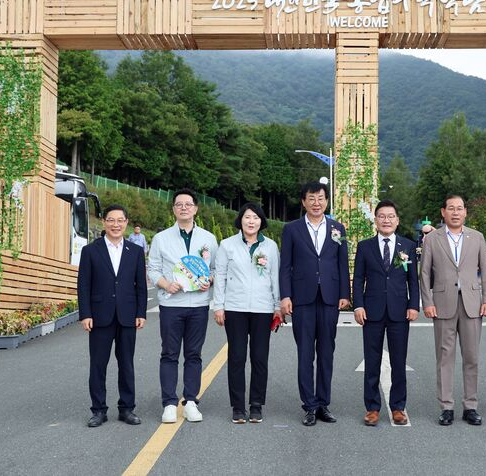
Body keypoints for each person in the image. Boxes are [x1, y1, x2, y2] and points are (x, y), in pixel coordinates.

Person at [279, 181, 350, 426]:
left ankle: (323, 404)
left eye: (320, 198)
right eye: (311, 198)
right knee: (305, 353)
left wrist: (345, 293)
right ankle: (309, 405)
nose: (316, 203)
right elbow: (285, 266)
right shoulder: (292, 229)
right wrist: (285, 296)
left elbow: (342, 263)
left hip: (330, 297)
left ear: (326, 201)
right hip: (302, 299)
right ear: (304, 202)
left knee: (327, 353)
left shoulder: (337, 228)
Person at [419, 194, 486, 426]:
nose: (455, 212)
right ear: (443, 212)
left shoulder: (477, 237)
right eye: (451, 208)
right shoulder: (432, 239)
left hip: (472, 303)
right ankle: (447, 407)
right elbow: (424, 273)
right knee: (445, 357)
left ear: (465, 212)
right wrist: (427, 302)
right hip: (442, 303)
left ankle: (470, 406)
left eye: (459, 208)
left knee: (472, 357)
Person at [148, 189, 218, 424]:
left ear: (196, 208)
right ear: (174, 209)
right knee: (169, 353)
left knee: (194, 354)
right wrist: (166, 284)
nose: (184, 208)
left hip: (199, 304)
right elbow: (153, 269)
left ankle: (190, 402)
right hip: (171, 304)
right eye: (179, 204)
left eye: (188, 204)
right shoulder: (161, 238)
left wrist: (210, 280)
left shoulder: (208, 238)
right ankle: (169, 403)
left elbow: (215, 268)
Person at [77, 204, 147, 428]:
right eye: (111, 220)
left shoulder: (135, 251)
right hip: (99, 316)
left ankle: (127, 409)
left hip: (128, 316)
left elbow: (141, 286)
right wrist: (85, 314)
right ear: (104, 222)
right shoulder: (90, 251)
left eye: (120, 220)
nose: (115, 224)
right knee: (98, 365)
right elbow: (83, 285)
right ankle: (98, 410)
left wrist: (141, 312)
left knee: (126, 364)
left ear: (126, 223)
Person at [352, 199, 420, 426]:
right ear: (376, 220)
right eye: (382, 216)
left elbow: (413, 280)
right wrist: (358, 305)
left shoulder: (407, 246)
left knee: (399, 361)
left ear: (397, 220)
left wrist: (413, 305)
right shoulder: (365, 246)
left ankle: (398, 407)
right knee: (372, 361)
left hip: (400, 311)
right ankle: (372, 408)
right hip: (371, 311)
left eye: (391, 216)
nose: (386, 220)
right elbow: (358, 279)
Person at [213, 203, 281, 424]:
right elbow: (220, 276)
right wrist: (218, 306)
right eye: (247, 217)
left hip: (263, 309)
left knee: (260, 358)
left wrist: (277, 306)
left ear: (262, 221)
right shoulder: (227, 245)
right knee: (237, 357)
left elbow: (275, 277)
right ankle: (238, 407)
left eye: (256, 218)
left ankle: (256, 405)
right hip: (235, 308)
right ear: (240, 220)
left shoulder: (270, 246)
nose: (251, 221)